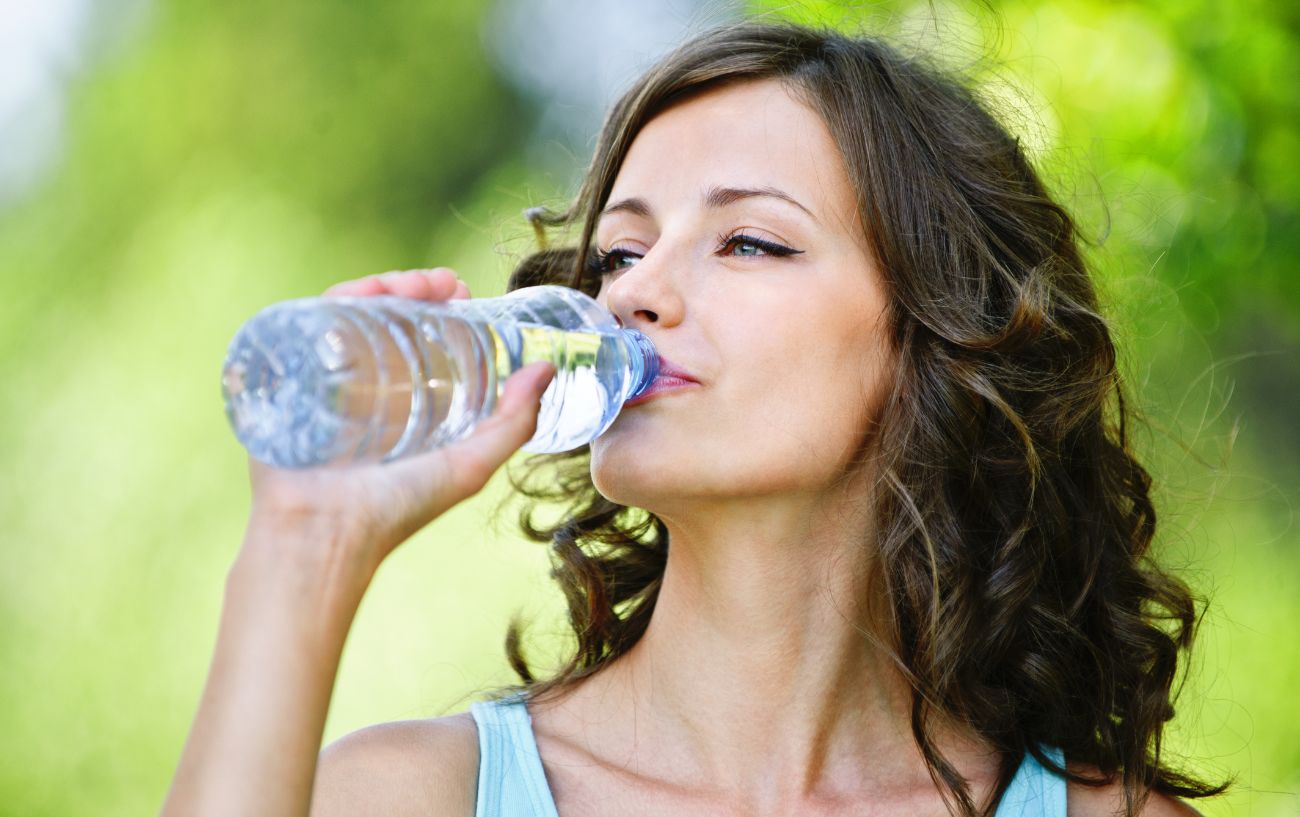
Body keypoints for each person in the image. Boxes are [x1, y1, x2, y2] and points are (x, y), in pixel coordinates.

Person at [161, 21, 1227, 817]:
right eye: (622, 251)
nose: (632, 295)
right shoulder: (414, 795)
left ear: (941, 338)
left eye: (749, 242)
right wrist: (303, 553)